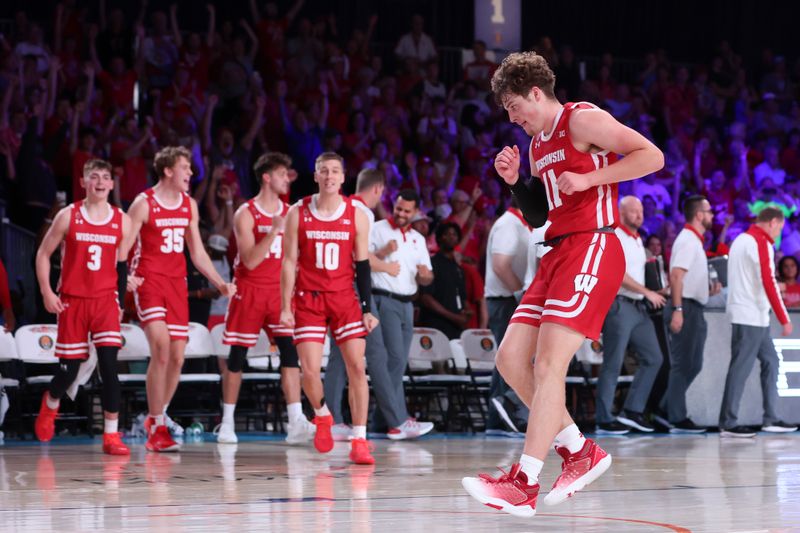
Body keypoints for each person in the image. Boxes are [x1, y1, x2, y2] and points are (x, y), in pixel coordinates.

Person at [461, 51, 664, 518]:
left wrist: (594, 174)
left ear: (536, 92)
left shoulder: (582, 118)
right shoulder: (535, 147)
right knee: (511, 360)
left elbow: (651, 156)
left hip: (593, 245)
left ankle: (524, 481)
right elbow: (541, 214)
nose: (513, 119)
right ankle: (577, 449)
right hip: (556, 251)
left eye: (514, 107)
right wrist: (514, 182)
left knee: (550, 363)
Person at [128, 146, 236, 453]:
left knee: (177, 357)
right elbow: (122, 247)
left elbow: (198, 252)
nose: (190, 173)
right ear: (167, 171)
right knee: (160, 350)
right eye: (185, 168)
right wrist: (123, 277)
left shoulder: (189, 205)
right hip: (149, 281)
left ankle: (154, 417)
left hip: (177, 284)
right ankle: (158, 424)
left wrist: (219, 283)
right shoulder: (143, 204)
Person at [280, 152, 379, 465]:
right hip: (308, 297)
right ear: (315, 176)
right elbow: (287, 262)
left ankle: (359, 438)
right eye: (323, 171)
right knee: (309, 370)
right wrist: (285, 305)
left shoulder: (357, 215)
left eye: (335, 171)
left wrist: (367, 307)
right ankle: (322, 415)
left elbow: (362, 265)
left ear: (343, 176)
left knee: (357, 367)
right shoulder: (298, 212)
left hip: (344, 297)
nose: (329, 176)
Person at [34, 159, 135, 455]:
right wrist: (46, 292)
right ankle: (50, 403)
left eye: (106, 177)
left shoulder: (122, 220)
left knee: (108, 366)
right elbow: (42, 253)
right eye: (94, 177)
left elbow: (121, 265)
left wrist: (119, 300)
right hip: (72, 300)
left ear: (112, 185)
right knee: (70, 370)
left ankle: (111, 436)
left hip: (105, 301)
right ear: (83, 182)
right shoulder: (68, 216)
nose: (101, 182)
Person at [217, 152, 315, 445]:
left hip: (279, 292)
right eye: (283, 174)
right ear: (267, 177)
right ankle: (227, 423)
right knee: (237, 357)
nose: (288, 179)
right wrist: (273, 231)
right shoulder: (245, 213)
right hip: (249, 290)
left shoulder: (292, 212)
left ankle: (296, 421)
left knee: (289, 354)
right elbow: (249, 260)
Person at [719, 207, 798, 437]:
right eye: (779, 229)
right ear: (773, 222)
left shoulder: (740, 240)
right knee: (740, 369)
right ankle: (728, 422)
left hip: (753, 315)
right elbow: (769, 281)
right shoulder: (761, 242)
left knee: (771, 362)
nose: (778, 234)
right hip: (750, 315)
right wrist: (784, 318)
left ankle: (770, 418)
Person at [324, 167, 385, 440]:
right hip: (349, 290)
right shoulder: (363, 213)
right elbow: (363, 259)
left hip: (330, 286)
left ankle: (335, 419)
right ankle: (340, 421)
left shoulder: (342, 208)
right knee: (351, 361)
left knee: (342, 359)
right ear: (378, 190)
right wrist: (389, 266)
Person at [596, 196, 665, 435]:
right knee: (613, 362)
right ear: (621, 213)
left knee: (654, 357)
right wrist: (648, 293)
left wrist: (656, 290)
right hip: (619, 304)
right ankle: (604, 418)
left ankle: (632, 410)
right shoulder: (617, 236)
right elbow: (618, 273)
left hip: (638, 306)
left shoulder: (638, 240)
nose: (639, 214)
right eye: (633, 210)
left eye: (641, 210)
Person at [368, 189, 434, 438]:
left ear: (416, 212)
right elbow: (360, 260)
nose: (402, 214)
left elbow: (427, 276)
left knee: (398, 362)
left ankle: (382, 419)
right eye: (398, 209)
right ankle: (397, 418)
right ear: (392, 205)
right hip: (384, 300)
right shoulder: (377, 228)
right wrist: (383, 253)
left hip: (408, 304)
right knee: (394, 360)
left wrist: (426, 277)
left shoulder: (418, 238)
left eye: (407, 211)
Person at [662, 195, 720, 433]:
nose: (712, 216)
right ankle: (675, 416)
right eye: (709, 211)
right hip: (684, 306)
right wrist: (678, 310)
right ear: (699, 215)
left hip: (693, 305)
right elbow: (676, 277)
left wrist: (707, 290)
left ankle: (665, 408)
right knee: (684, 364)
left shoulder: (694, 240)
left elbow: (685, 278)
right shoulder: (688, 240)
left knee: (692, 364)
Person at [483, 200, 532, 435]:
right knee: (513, 357)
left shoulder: (520, 224)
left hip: (506, 299)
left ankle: (496, 420)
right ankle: (512, 410)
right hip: (504, 300)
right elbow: (500, 265)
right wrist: (520, 295)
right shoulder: (508, 224)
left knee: (504, 360)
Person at [419, 223, 470, 340]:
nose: (451, 237)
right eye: (447, 234)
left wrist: (467, 311)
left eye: (454, 234)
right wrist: (453, 317)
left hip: (456, 328)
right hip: (434, 326)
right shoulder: (431, 263)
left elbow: (462, 297)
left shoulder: (458, 268)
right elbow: (426, 298)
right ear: (439, 238)